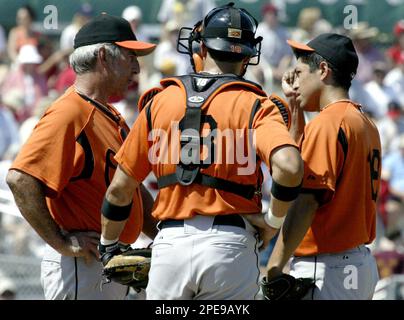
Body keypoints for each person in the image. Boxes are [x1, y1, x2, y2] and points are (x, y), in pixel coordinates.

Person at [99, 2, 303, 300]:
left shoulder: (159, 100)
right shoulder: (257, 104)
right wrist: (273, 223)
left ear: (202, 49)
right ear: (248, 55)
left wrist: (108, 245)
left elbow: (119, 191)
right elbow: (289, 166)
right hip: (230, 245)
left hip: (170, 246)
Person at [6, 13, 157, 300]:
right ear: (104, 56)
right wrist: (61, 242)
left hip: (105, 264)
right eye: (129, 57)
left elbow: (132, 191)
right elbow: (20, 179)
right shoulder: (69, 112)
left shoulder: (111, 115)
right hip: (80, 267)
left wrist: (165, 239)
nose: (137, 68)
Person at [266, 33, 381, 300]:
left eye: (299, 71)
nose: (295, 79)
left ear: (323, 70)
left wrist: (274, 266)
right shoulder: (364, 121)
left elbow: (306, 202)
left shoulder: (327, 124)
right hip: (356, 263)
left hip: (327, 267)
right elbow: (299, 164)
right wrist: (295, 105)